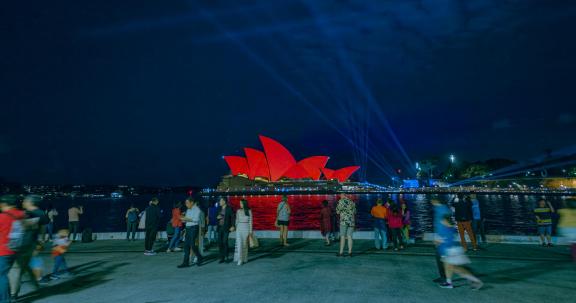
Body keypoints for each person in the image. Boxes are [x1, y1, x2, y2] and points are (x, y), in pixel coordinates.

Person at [9, 195, 48, 299]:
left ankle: (13, 294)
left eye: (25, 200)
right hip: (31, 244)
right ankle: (36, 285)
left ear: (31, 202)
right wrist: (41, 242)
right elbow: (43, 230)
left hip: (21, 244)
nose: (23, 202)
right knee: (24, 266)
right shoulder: (42, 213)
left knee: (15, 269)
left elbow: (18, 229)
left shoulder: (26, 214)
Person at [435, 206, 483, 290]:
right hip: (450, 251)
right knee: (450, 267)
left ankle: (476, 281)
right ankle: (449, 282)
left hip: (451, 251)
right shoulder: (450, 227)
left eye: (442, 221)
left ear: (445, 221)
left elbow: (443, 240)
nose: (441, 222)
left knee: (456, 269)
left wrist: (439, 241)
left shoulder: (447, 228)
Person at [0, 195, 25, 303]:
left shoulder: (2, 216)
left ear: (4, 204)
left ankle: (5, 300)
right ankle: (13, 295)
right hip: (18, 249)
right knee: (14, 272)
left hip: (4, 250)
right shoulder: (22, 215)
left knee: (2, 275)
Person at [178, 198, 203, 268]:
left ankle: (199, 257)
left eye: (187, 203)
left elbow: (196, 220)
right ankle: (185, 262)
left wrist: (186, 219)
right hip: (188, 228)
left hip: (194, 228)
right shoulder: (188, 210)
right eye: (185, 203)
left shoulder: (197, 209)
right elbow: (187, 219)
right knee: (186, 245)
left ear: (192, 202)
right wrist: (183, 220)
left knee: (192, 244)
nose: (186, 205)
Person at [431, 198, 449, 284]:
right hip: (440, 237)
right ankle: (443, 277)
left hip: (443, 239)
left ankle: (445, 278)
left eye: (433, 201)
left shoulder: (442, 210)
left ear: (437, 201)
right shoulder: (439, 209)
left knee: (443, 260)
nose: (432, 202)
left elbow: (445, 225)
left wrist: (439, 239)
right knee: (440, 259)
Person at [234, 199, 253, 266]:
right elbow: (236, 220)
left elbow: (250, 222)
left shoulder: (249, 211)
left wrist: (250, 232)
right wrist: (235, 227)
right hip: (239, 228)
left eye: (241, 203)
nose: (240, 204)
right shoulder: (238, 211)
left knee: (245, 245)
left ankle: (244, 258)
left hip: (246, 228)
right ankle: (239, 259)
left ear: (244, 204)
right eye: (240, 203)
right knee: (239, 244)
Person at [217, 197, 235, 263]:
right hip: (219, 227)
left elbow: (233, 217)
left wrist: (233, 226)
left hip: (226, 227)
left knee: (225, 242)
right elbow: (217, 216)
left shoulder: (229, 208)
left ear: (224, 201)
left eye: (221, 201)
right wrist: (217, 217)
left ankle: (226, 257)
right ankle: (222, 257)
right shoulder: (219, 208)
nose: (219, 202)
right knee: (219, 242)